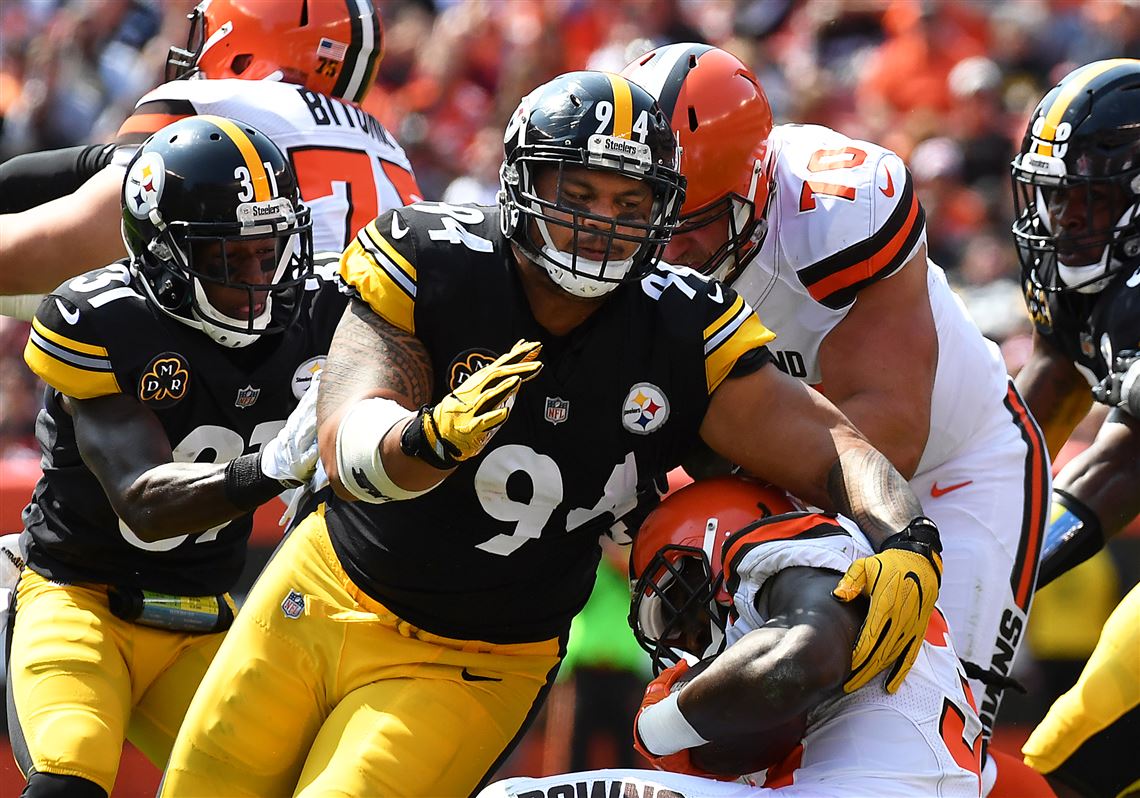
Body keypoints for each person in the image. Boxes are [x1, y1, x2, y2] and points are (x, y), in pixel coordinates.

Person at [162, 71, 944, 797]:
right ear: (522, 180)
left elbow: (830, 445)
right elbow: (349, 439)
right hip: (325, 585)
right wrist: (424, 441)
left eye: (629, 204)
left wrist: (907, 537)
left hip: (476, 659)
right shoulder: (437, 257)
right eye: (580, 190)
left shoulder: (682, 324)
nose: (600, 222)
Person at [621, 44, 1050, 791]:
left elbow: (889, 427)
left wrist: (744, 519)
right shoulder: (619, 236)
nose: (671, 250)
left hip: (947, 470)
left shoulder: (839, 207)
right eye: (652, 215)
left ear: (756, 186)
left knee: (930, 729)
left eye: (694, 223)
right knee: (764, 742)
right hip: (792, 470)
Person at [6, 115, 346, 798]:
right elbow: (144, 501)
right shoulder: (104, 319)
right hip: (80, 598)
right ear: (162, 256)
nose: (258, 279)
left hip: (202, 616)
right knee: (67, 780)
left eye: (269, 251)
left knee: (296, 785)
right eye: (227, 258)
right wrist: (270, 467)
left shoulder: (326, 311)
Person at [479, 476, 985, 798]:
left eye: (682, 608)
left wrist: (659, 727)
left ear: (711, 539)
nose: (692, 639)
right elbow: (764, 733)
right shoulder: (834, 575)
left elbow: (804, 659)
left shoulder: (786, 548)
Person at [0, 0, 419, 302]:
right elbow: (98, 161)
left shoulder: (217, 102)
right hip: (369, 370)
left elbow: (62, 244)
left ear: (243, 51)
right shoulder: (389, 146)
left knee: (83, 319)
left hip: (273, 362)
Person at [1008, 57, 1140, 798]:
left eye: (1091, 201)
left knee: (1073, 756)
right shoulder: (1095, 294)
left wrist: (995, 571)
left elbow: (1119, 468)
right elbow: (1014, 443)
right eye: (1058, 200)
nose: (1067, 223)